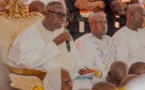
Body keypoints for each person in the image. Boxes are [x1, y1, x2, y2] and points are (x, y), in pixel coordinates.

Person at [7, 1, 87, 89]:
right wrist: (54, 43)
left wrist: (81, 68)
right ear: (47, 14)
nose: (63, 19)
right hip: (47, 82)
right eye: (60, 15)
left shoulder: (63, 33)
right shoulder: (29, 34)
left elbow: (75, 56)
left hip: (70, 81)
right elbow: (25, 62)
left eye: (65, 15)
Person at [75, 12, 117, 85]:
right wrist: (105, 76)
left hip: (116, 80)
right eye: (100, 23)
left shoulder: (112, 40)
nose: (104, 26)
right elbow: (84, 70)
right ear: (91, 25)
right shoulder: (83, 41)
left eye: (105, 22)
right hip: (96, 82)